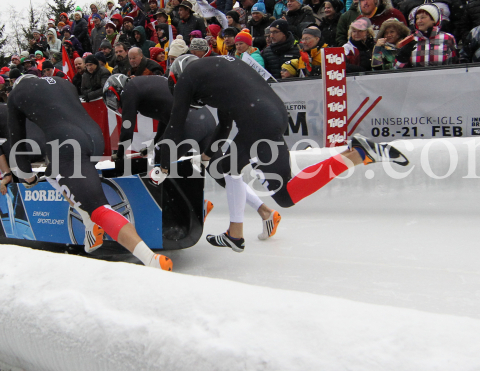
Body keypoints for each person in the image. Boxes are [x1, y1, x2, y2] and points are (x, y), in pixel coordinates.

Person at [156, 55, 407, 252]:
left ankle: (358, 155)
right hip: (271, 113)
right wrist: (210, 155)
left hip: (257, 121)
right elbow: (224, 125)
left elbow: (175, 125)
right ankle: (235, 234)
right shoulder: (219, 69)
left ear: (177, 79)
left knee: (286, 195)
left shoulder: (187, 76)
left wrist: (162, 164)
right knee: (226, 167)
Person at [0, 74, 172, 270]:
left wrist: (26, 176)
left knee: (98, 208)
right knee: (52, 173)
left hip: (66, 142)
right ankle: (89, 222)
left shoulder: (16, 94)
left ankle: (150, 259)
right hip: (94, 137)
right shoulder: (64, 83)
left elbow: (17, 138)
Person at [335, 0, 406, 45]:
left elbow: (405, 37)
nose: (366, 2)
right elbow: (353, 42)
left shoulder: (394, 14)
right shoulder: (360, 19)